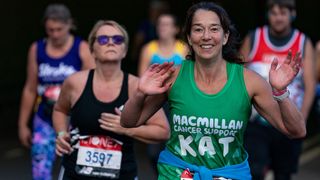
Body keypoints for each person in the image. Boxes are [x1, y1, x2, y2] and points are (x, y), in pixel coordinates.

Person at [120, 2, 306, 180]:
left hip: (230, 174)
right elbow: (129, 121)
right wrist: (140, 92)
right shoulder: (173, 77)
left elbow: (296, 130)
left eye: (214, 29)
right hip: (176, 173)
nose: (206, 36)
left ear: (225, 36)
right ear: (189, 38)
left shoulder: (250, 82)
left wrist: (281, 92)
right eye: (198, 29)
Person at [53, 20, 170, 179]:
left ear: (125, 50)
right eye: (103, 39)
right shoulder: (75, 82)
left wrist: (127, 129)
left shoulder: (137, 87)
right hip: (74, 173)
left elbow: (163, 131)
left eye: (117, 39)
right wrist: (61, 133)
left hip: (122, 174)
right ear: (92, 49)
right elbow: (60, 109)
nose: (110, 43)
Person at [17, 3, 95, 180]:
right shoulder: (37, 49)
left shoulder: (81, 48)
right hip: (44, 117)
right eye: (50, 30)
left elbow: (93, 86)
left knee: (79, 168)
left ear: (70, 25)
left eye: (59, 29)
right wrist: (22, 124)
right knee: (40, 168)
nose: (55, 35)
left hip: (75, 118)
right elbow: (30, 88)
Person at [240, 0, 315, 179]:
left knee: (284, 174)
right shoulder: (254, 37)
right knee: (254, 172)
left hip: (288, 120)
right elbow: (239, 77)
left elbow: (310, 86)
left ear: (293, 14)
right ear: (268, 15)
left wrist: (300, 121)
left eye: (283, 13)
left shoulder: (303, 42)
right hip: (257, 122)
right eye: (274, 13)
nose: (278, 17)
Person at [130, 0, 169, 74]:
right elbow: (138, 39)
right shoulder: (145, 24)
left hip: (164, 55)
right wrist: (134, 52)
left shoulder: (166, 24)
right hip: (147, 55)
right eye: (153, 10)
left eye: (158, 11)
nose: (154, 13)